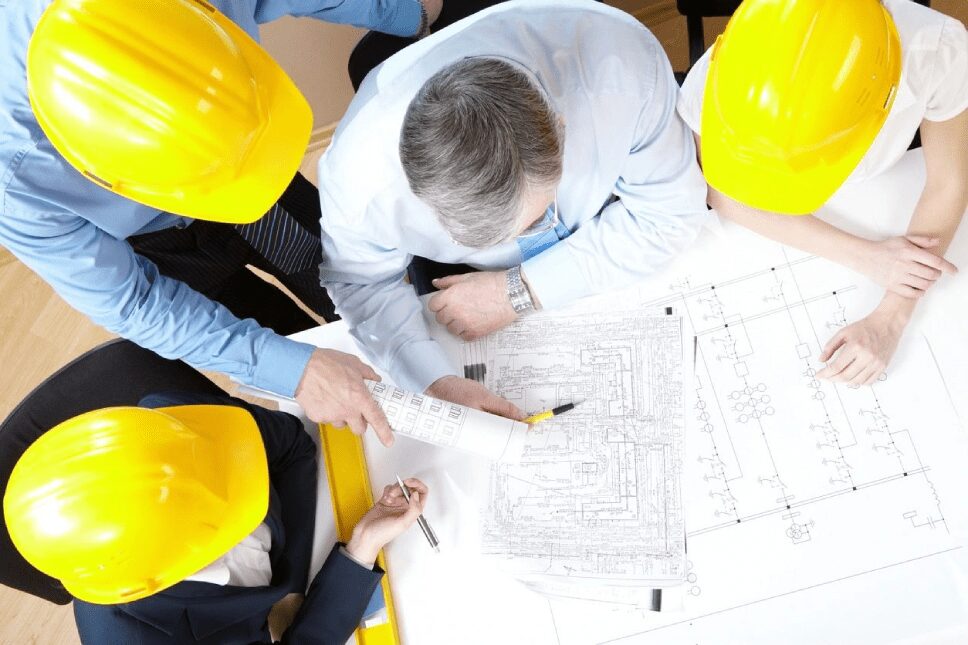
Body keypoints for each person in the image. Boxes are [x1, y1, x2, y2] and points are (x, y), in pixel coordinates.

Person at [0, 0, 443, 443]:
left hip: (253, 171)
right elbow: (134, 303)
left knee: (345, 284)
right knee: (287, 339)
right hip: (155, 248)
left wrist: (400, 10)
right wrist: (296, 371)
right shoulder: (14, 179)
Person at [317, 0, 710, 414]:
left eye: (536, 217)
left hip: (607, 222)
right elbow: (361, 285)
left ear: (559, 127)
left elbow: (669, 213)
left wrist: (519, 291)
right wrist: (437, 384)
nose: (533, 232)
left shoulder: (622, 66)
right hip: (473, 282)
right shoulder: (358, 180)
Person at [677, 0, 967, 386]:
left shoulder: (937, 49)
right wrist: (867, 257)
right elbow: (719, 187)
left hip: (879, 193)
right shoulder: (722, 78)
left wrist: (891, 316)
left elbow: (949, 182)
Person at [2, 392, 429, 644]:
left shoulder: (176, 425)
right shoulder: (142, 636)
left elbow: (292, 445)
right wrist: (360, 550)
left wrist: (291, 586)